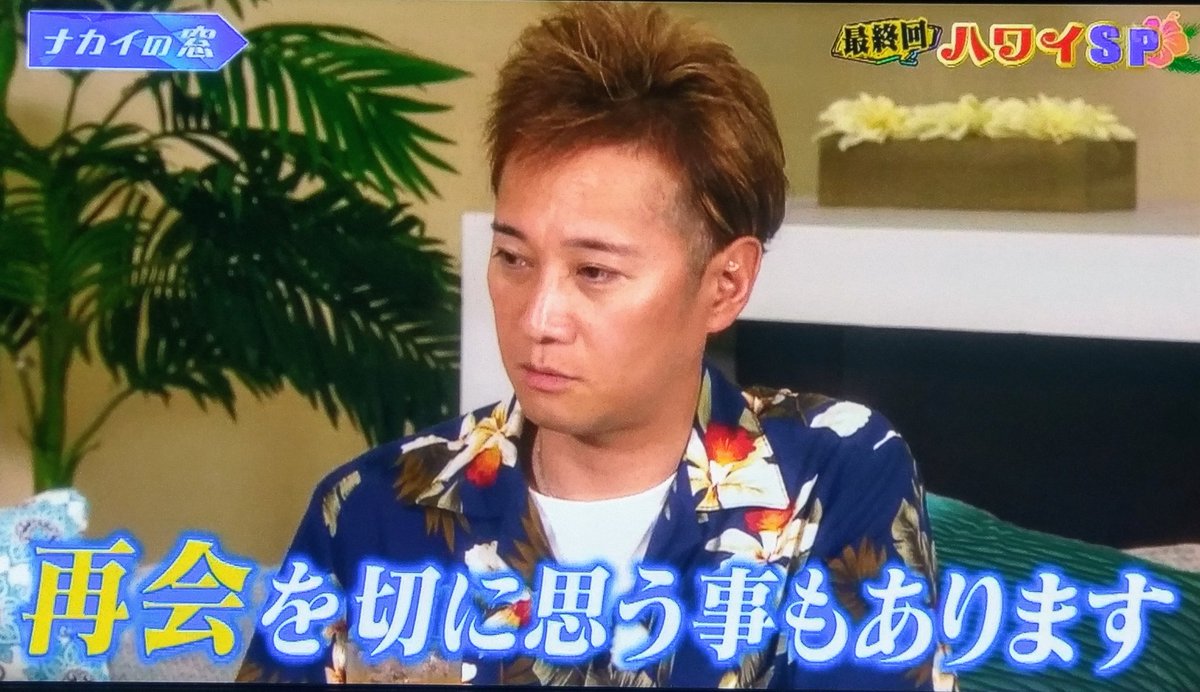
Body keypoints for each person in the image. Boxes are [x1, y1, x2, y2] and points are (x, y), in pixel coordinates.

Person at [237, 2, 956, 688]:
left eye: (594, 272)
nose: (539, 317)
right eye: (513, 258)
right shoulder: (372, 511)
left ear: (726, 284)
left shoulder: (836, 477)